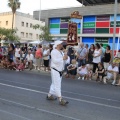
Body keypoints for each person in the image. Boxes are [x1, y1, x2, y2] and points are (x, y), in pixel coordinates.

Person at [47, 41, 69, 106]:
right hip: (55, 70)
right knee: (57, 85)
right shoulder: (53, 51)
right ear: (57, 45)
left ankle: (49, 95)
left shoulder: (61, 52)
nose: (62, 45)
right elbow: (55, 61)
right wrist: (62, 58)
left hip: (60, 71)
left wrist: (65, 55)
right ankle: (60, 99)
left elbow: (65, 61)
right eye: (61, 44)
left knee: (54, 84)